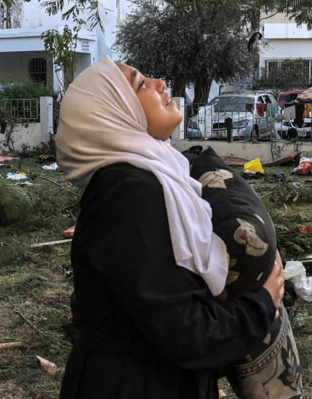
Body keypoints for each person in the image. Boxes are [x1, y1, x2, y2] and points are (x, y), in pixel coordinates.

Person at [56, 57, 285, 399]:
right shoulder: (128, 194)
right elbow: (184, 331)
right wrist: (262, 303)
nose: (159, 83)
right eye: (139, 84)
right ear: (113, 112)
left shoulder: (153, 177)